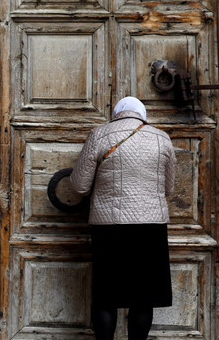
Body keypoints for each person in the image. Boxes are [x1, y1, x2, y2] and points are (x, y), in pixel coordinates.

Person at [70, 97, 176, 340]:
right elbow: (168, 188)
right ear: (142, 114)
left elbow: (79, 186)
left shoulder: (99, 134)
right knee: (144, 298)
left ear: (116, 112)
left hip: (109, 227)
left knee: (106, 296)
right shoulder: (162, 138)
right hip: (151, 226)